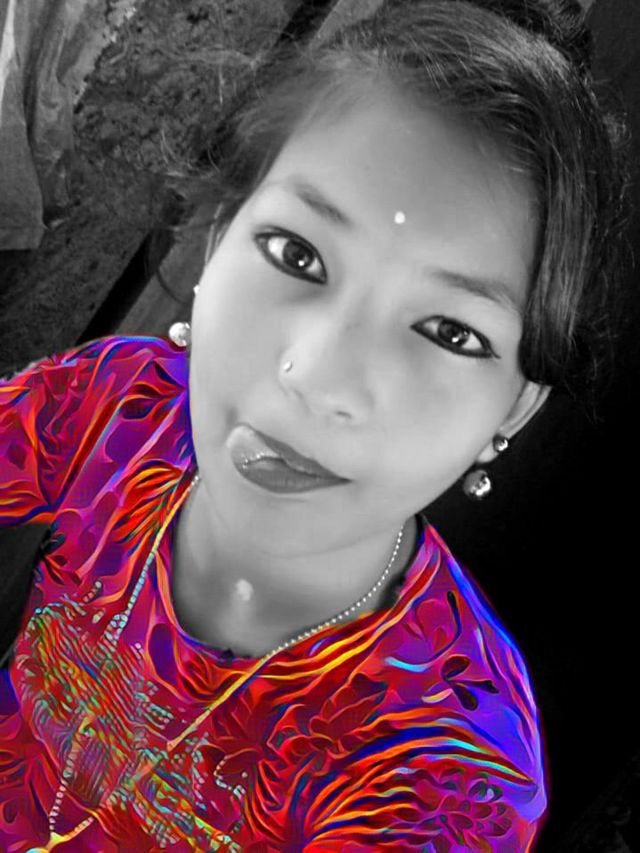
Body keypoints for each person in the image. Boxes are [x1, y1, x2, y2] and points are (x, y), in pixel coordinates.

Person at [0, 0, 626, 849]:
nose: (319, 376)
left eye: (450, 332)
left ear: (512, 409)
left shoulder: (449, 771)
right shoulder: (128, 408)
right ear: (219, 240)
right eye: (297, 254)